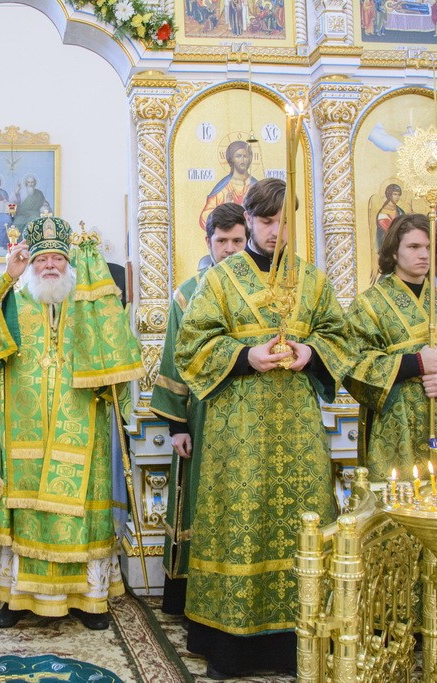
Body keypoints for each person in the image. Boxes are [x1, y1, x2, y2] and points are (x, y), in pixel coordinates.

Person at [174, 178, 353, 679]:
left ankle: (299, 641)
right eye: (267, 221)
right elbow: (191, 345)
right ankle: (230, 645)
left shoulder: (311, 280)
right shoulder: (220, 279)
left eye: (284, 221)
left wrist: (310, 352)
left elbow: (340, 338)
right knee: (240, 520)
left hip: (297, 427)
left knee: (302, 523)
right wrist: (244, 355)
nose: (276, 231)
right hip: (238, 429)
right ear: (249, 219)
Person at [0, 215, 143, 631]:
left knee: (80, 513)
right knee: (25, 509)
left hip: (82, 425)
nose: (49, 265)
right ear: (30, 263)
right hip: (23, 429)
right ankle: (16, 597)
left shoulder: (89, 302)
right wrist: (7, 276)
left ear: (68, 263)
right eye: (41, 258)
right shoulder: (13, 299)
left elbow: (118, 352)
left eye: (57, 258)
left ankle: (87, 599)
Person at [345, 213, 437, 481]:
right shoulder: (368, 305)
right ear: (394, 252)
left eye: (429, 247)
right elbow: (353, 361)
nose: (424, 255)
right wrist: (414, 363)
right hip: (395, 424)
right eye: (414, 247)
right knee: (399, 499)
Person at [150, 202, 247, 617]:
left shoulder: (265, 293)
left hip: (252, 416)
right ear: (208, 242)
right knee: (200, 501)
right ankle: (191, 592)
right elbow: (174, 360)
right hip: (203, 415)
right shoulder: (187, 294)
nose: (230, 249)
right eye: (222, 241)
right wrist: (178, 426)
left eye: (237, 240)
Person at [198, 140, 256, 232]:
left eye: (245, 156)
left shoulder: (255, 186)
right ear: (231, 159)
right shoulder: (223, 187)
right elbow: (204, 218)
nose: (243, 160)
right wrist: (225, 207)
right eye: (238, 156)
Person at [375, 183, 404, 251]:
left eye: (398, 195)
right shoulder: (383, 213)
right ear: (389, 195)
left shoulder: (400, 211)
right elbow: (389, 231)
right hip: (388, 246)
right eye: (395, 194)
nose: (397, 197)